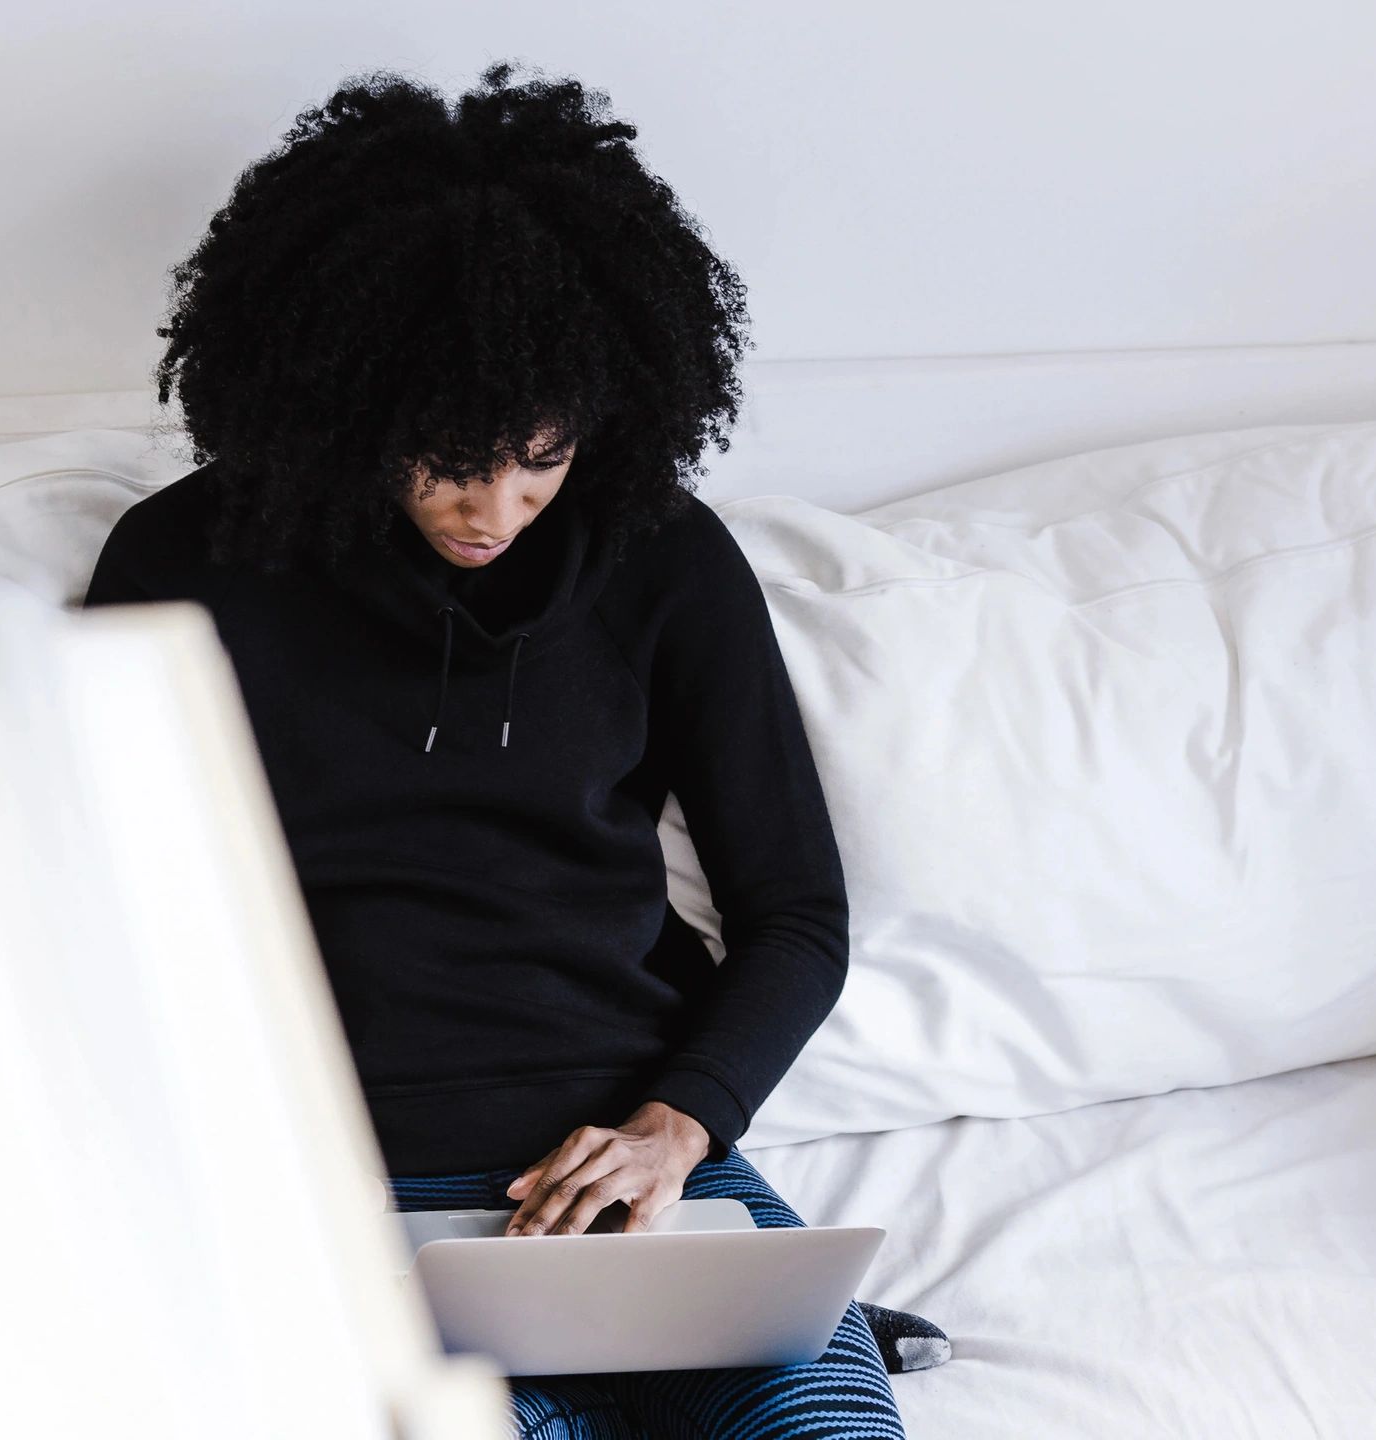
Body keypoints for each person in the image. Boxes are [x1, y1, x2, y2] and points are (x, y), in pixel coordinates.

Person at [83, 59, 944, 1438]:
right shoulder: (188, 562)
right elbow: (96, 920)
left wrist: (680, 1129)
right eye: (449, 461)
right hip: (349, 1195)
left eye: (539, 457)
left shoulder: (665, 558)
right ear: (349, 406)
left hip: (641, 1184)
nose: (498, 506)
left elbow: (795, 916)